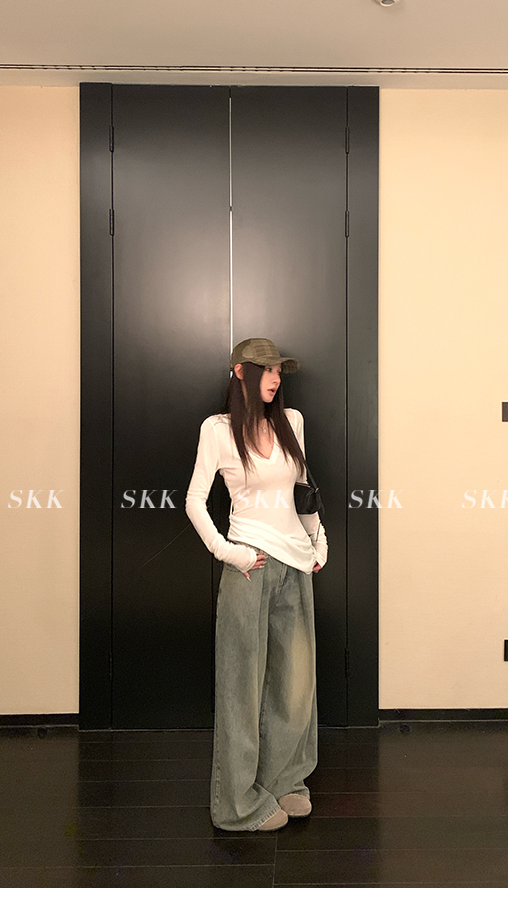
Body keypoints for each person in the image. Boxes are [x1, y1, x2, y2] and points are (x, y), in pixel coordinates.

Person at [185, 336, 328, 832]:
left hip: (295, 565)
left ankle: (284, 780)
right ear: (240, 374)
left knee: (294, 683)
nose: (275, 378)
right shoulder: (218, 430)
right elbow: (194, 500)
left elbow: (303, 489)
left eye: (278, 370)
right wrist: (229, 551)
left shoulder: (292, 422)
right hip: (250, 567)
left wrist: (318, 540)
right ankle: (238, 803)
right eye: (266, 369)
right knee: (242, 686)